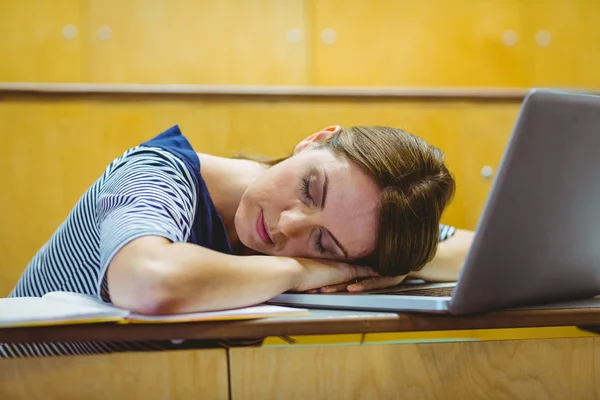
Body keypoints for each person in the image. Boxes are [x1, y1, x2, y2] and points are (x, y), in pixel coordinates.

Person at [0, 125, 473, 358]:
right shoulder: (157, 172)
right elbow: (149, 284)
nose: (288, 225)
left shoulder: (360, 224)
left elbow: (475, 252)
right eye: (310, 188)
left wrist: (393, 267)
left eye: (323, 242)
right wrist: (306, 269)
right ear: (315, 140)